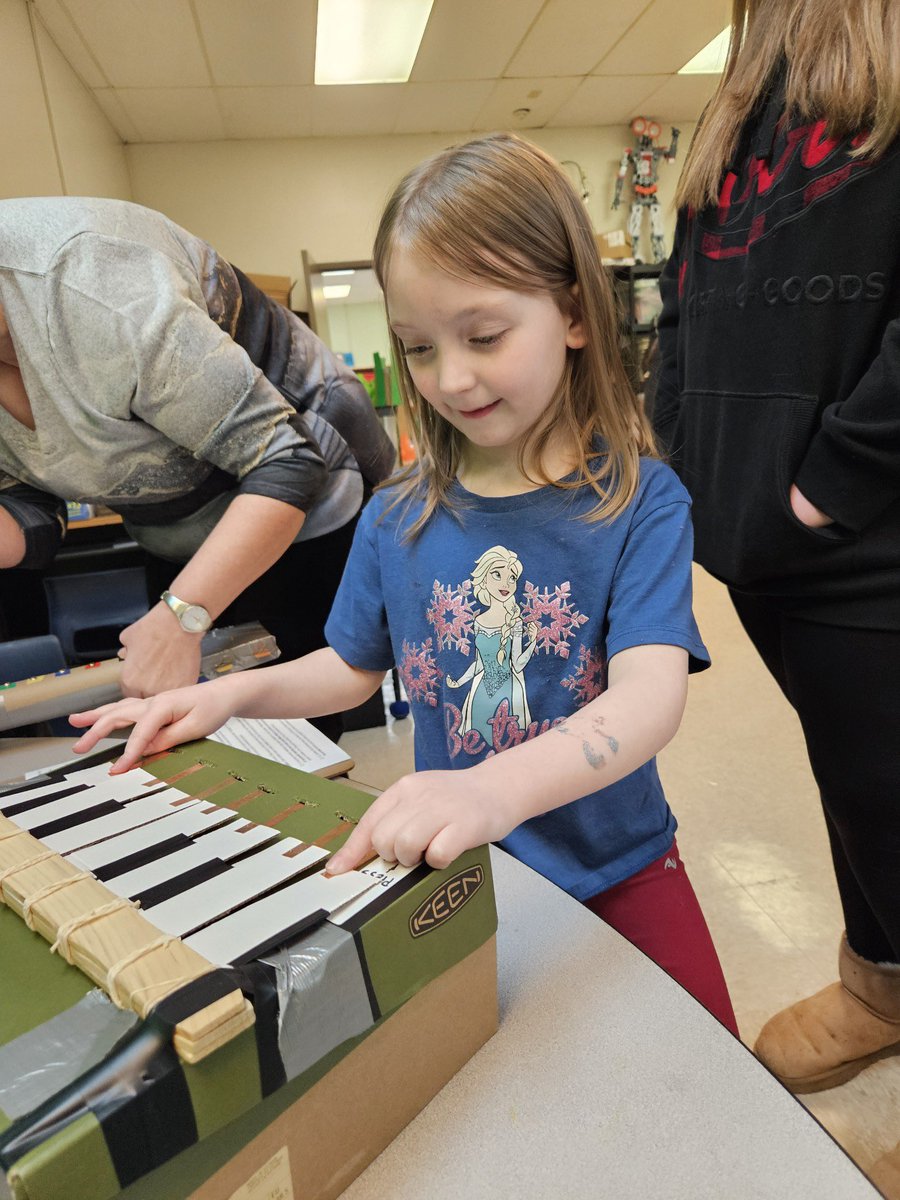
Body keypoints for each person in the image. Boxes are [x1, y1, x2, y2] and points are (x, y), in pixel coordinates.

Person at [71, 133, 738, 1035]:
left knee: (700, 1072)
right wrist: (223, 698)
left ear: (575, 313)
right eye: (420, 348)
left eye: (485, 336)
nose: (450, 378)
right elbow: (349, 668)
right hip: (463, 875)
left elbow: (648, 701)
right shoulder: (397, 514)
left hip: (623, 870)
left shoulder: (642, 500)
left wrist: (490, 790)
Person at [654, 0, 900, 1124]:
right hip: (760, 548)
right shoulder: (739, 108)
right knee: (851, 792)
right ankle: (879, 991)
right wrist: (678, 449)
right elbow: (685, 307)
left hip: (870, 545)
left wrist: (833, 480)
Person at [0, 197, 395, 725]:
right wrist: (179, 615)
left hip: (301, 504)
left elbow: (288, 461)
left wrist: (181, 618)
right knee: (199, 723)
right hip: (180, 540)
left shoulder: (92, 281)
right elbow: (35, 510)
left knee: (294, 726)